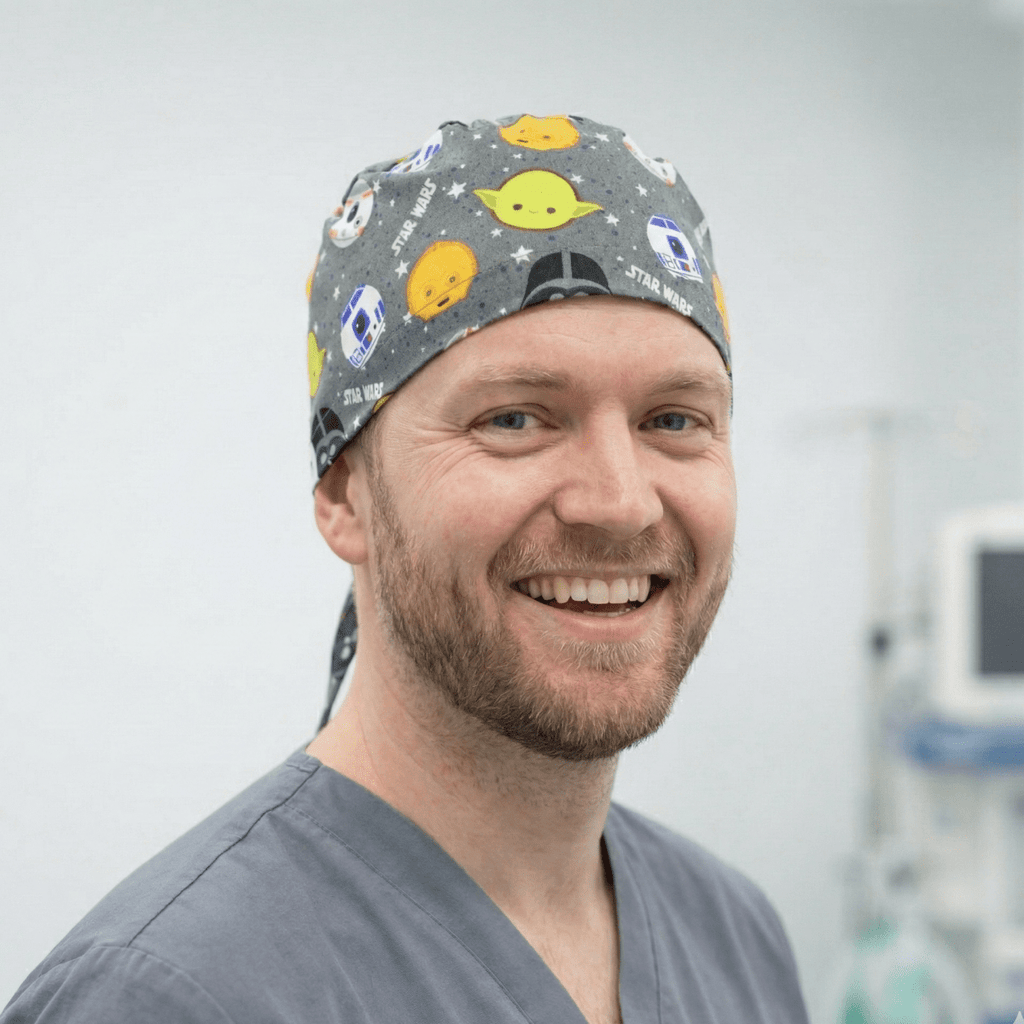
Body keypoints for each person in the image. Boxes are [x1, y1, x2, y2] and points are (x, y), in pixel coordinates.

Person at [2, 114, 809, 1024]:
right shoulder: (169, 997)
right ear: (345, 493)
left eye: (674, 420)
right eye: (514, 419)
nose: (620, 502)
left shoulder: (736, 937)